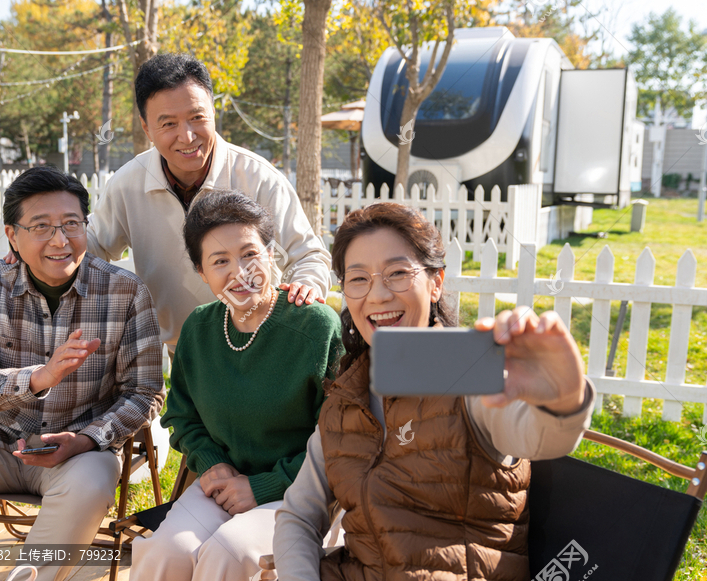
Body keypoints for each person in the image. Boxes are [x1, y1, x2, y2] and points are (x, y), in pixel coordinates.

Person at [273, 203, 596, 580]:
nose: (377, 296)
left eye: (397, 273)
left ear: (436, 282)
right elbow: (298, 515)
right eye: (358, 279)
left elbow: (538, 438)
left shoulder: (465, 369)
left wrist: (561, 397)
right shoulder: (347, 395)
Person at [0, 166, 165, 581]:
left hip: (77, 450)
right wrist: (37, 378)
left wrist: (86, 440)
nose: (60, 240)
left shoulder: (125, 291)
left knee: (91, 483)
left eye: (71, 224)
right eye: (41, 226)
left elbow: (144, 392)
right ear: (12, 236)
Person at [129, 190, 343, 581]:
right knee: (164, 551)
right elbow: (181, 414)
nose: (239, 272)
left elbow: (339, 437)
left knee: (229, 553)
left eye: (249, 254)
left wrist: (263, 487)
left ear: (271, 254)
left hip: (300, 492)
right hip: (223, 485)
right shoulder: (199, 327)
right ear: (200, 271)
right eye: (220, 261)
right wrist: (213, 467)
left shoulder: (315, 327)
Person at [86, 53, 331, 351]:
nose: (187, 136)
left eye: (197, 117)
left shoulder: (258, 177)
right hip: (185, 356)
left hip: (265, 346)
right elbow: (90, 246)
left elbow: (308, 255)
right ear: (146, 128)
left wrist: (306, 287)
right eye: (168, 124)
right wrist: (30, 253)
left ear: (213, 111)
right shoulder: (127, 184)